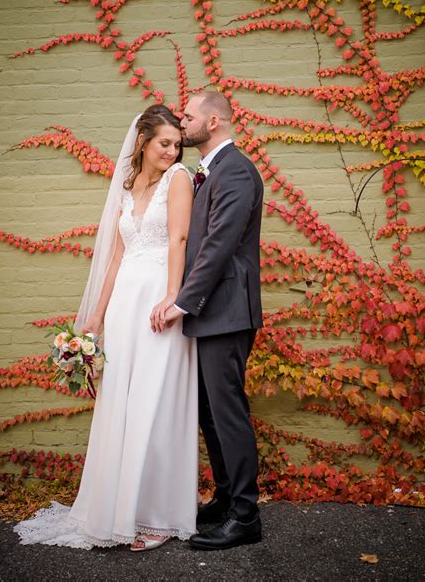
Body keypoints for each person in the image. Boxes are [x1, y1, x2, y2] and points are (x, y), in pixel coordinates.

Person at [14, 105, 198, 551]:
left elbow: (179, 238)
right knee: (122, 401)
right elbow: (116, 256)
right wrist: (96, 315)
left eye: (177, 144)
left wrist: (173, 296)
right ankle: (118, 508)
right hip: (123, 305)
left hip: (158, 298)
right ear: (142, 142)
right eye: (164, 144)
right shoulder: (127, 185)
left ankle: (157, 515)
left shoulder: (179, 179)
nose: (173, 152)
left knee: (156, 398)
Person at [152, 91, 264, 551]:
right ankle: (224, 498)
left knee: (228, 413)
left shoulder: (235, 169)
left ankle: (246, 516)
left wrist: (181, 301)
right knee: (209, 414)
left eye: (189, 116)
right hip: (211, 312)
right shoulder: (211, 170)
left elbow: (219, 245)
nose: (183, 122)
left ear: (213, 121)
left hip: (226, 313)